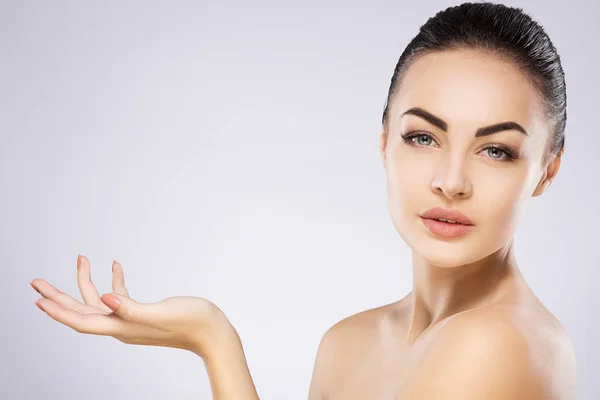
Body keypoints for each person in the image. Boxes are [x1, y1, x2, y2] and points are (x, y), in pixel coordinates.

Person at [30, 2, 577, 399]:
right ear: (385, 142)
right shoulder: (346, 341)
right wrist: (209, 334)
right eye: (424, 137)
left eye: (497, 151)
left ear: (546, 173)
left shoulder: (501, 343)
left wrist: (211, 340)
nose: (451, 181)